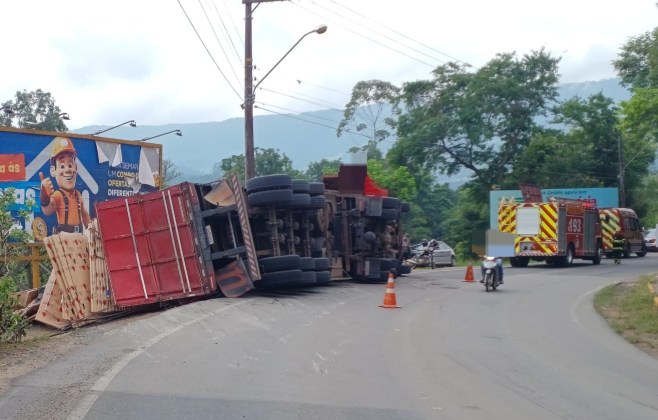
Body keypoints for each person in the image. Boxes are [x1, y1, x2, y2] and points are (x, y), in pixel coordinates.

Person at [39, 137, 91, 234]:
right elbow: (48, 210)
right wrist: (44, 197)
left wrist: (91, 230)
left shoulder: (78, 195)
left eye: (70, 165)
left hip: (79, 237)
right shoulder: (58, 195)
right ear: (53, 171)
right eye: (62, 166)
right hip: (64, 239)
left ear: (76, 168)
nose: (68, 170)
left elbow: (84, 214)